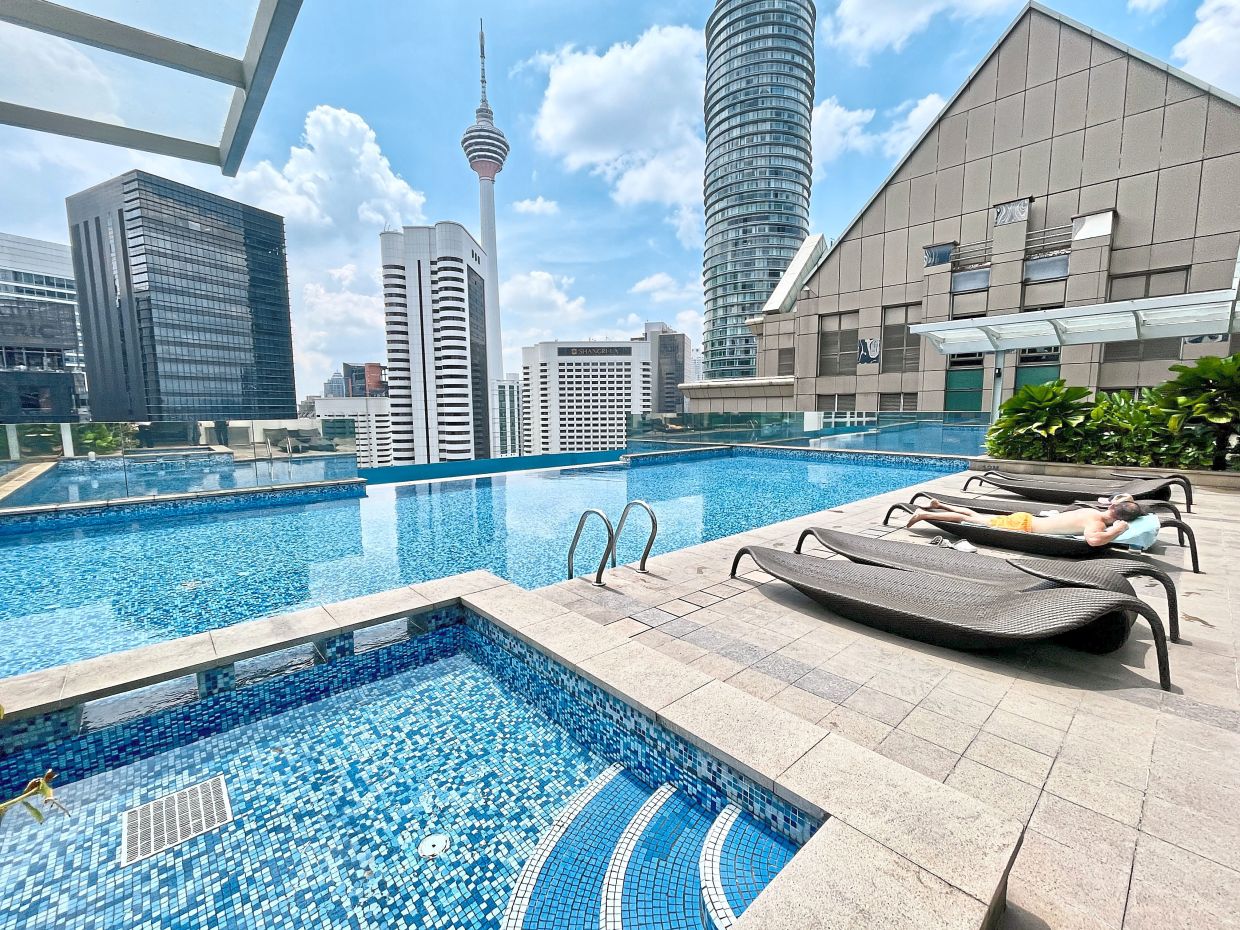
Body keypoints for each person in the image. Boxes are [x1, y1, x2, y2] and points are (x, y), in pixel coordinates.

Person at [906, 496, 1146, 547]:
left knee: (972, 515)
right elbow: (1094, 540)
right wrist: (1118, 530)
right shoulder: (1098, 523)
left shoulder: (1094, 511)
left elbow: (1125, 501)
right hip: (1024, 525)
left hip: (1026, 520)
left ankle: (937, 505)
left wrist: (1123, 508)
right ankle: (924, 514)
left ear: (1113, 507)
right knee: (968, 518)